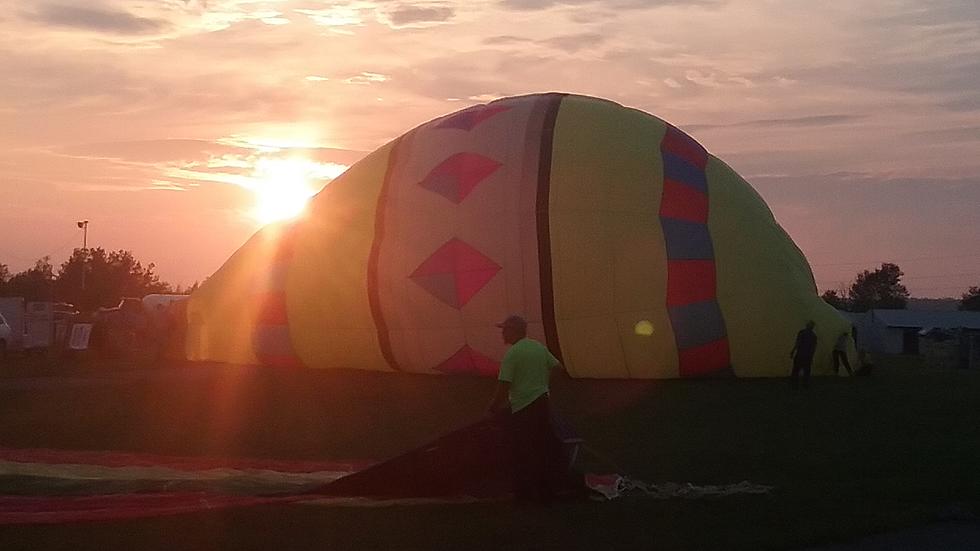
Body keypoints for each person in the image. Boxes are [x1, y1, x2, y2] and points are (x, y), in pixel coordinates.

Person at [486, 314, 562, 504]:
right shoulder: (538, 347)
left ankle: (524, 495)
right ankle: (546, 492)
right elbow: (557, 367)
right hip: (542, 403)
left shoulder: (512, 354)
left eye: (505, 329)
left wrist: (493, 407)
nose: (503, 333)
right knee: (541, 447)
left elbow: (504, 385)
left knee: (520, 451)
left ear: (514, 331)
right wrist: (542, 384)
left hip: (523, 407)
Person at [790, 320, 818, 389]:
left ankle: (794, 384)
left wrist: (793, 350)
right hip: (807, 356)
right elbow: (813, 348)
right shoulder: (813, 335)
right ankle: (805, 384)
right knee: (806, 371)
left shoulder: (802, 333)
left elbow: (798, 343)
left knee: (796, 370)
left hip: (800, 354)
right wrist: (811, 356)